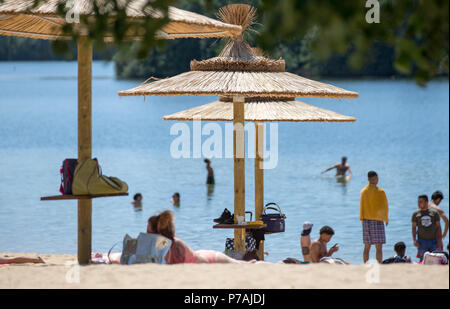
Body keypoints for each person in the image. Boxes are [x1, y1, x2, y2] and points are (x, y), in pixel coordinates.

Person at [156, 210, 249, 264]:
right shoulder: (164, 242)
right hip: (202, 255)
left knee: (244, 264)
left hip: (210, 258)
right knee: (242, 264)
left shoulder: (174, 243)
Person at [360, 171, 389, 264]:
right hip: (377, 220)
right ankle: (379, 265)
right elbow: (385, 206)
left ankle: (366, 264)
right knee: (379, 247)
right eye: (376, 178)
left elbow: (362, 206)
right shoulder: (381, 192)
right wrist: (386, 218)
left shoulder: (363, 191)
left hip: (366, 220)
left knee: (367, 246)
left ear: (368, 179)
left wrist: (362, 218)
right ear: (376, 179)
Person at [412, 194, 443, 261]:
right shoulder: (416, 214)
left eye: (421, 202)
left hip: (433, 241)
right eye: (418, 202)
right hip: (421, 242)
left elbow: (438, 227)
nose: (418, 204)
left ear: (426, 202)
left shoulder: (434, 213)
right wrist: (414, 240)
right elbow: (414, 227)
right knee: (423, 260)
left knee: (435, 260)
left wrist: (439, 240)